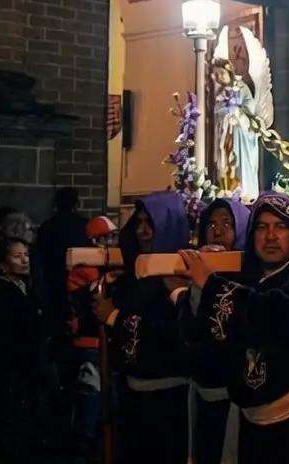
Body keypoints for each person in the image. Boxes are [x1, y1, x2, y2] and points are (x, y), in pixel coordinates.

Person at [178, 192, 289, 463]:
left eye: (281, 226)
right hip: (251, 426)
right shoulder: (245, 284)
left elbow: (276, 315)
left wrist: (212, 285)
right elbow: (201, 341)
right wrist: (199, 289)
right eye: (261, 227)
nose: (270, 236)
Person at [94, 192, 191, 464]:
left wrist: (113, 317)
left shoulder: (180, 274)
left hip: (169, 396)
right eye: (139, 223)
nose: (142, 231)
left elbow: (166, 333)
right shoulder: (132, 277)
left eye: (151, 223)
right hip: (131, 392)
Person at [181, 197, 251, 464]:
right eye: (211, 224)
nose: (218, 230)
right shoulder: (193, 272)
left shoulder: (249, 277)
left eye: (226, 224)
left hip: (235, 397)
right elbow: (190, 332)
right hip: (203, 390)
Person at [0, 236, 54, 461]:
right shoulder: (1, 293)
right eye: (17, 256)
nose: (24, 260)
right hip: (13, 369)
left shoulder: (25, 287)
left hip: (29, 367)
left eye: (26, 255)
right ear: (3, 263)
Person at [66, 215, 118, 461]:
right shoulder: (83, 269)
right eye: (104, 238)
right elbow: (84, 304)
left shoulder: (110, 268)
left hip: (106, 343)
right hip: (89, 344)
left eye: (112, 237)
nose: (110, 243)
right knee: (90, 401)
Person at [35, 187, 90, 338]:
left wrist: (40, 288)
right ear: (76, 204)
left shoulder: (48, 226)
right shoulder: (84, 225)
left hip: (54, 284)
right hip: (81, 283)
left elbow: (39, 258)